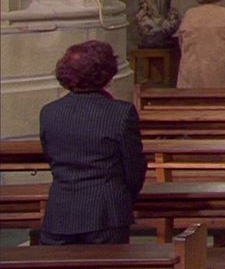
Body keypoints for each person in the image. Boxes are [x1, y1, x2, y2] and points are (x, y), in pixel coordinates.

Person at [39, 40, 146, 245]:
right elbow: (134, 168)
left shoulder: (49, 112)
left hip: (60, 212)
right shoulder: (121, 113)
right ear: (106, 73)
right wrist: (123, 198)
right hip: (107, 212)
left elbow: (52, 158)